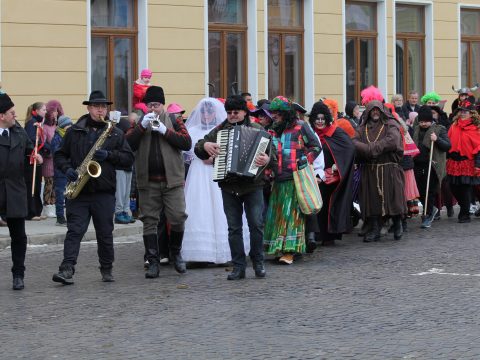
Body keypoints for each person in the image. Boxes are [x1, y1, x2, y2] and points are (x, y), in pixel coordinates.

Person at [52, 90, 134, 285]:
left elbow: (129, 160)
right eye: (97, 107)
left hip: (104, 192)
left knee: (105, 232)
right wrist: (67, 169)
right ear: (88, 108)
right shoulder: (74, 131)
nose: (100, 110)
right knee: (74, 231)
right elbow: (59, 155)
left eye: (104, 107)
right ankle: (66, 269)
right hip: (79, 191)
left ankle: (107, 269)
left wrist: (109, 156)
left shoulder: (114, 132)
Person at [195, 95, 272, 279]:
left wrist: (267, 160)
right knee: (234, 228)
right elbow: (198, 147)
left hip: (253, 185)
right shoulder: (220, 130)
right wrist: (205, 144)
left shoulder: (258, 130)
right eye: (229, 112)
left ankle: (258, 262)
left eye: (235, 112)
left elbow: (272, 156)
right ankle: (238, 266)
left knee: (256, 225)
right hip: (229, 186)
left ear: (244, 112)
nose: (232, 116)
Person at [126, 86, 192, 279]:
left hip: (172, 181)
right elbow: (127, 144)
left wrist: (165, 131)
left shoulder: (174, 120)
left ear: (163, 105)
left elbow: (187, 142)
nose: (153, 109)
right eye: (150, 105)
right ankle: (153, 261)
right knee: (149, 221)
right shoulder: (140, 121)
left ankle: (176, 253)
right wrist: (141, 127)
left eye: (156, 105)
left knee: (178, 217)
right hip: (148, 182)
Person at [182, 98, 240, 264]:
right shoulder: (192, 130)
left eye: (210, 111)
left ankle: (225, 250)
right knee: (199, 207)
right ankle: (200, 253)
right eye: (203, 112)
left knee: (220, 207)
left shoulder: (221, 130)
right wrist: (200, 156)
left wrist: (214, 158)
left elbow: (230, 149)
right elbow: (187, 152)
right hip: (198, 173)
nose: (206, 115)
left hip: (217, 171)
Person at [264, 96, 321, 265]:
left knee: (292, 216)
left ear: (286, 113)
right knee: (278, 215)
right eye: (272, 113)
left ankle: (291, 250)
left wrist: (304, 161)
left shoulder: (301, 126)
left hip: (295, 179)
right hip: (277, 179)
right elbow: (268, 153)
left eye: (278, 113)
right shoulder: (271, 130)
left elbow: (316, 147)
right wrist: (267, 171)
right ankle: (280, 249)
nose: (274, 116)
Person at [0, 92, 42, 290]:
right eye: (11, 113)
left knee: (19, 236)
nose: (14, 115)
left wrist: (35, 156)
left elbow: (29, 150)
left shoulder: (18, 131)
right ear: (1, 116)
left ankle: (18, 274)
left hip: (15, 191)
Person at [352, 100, 406, 242]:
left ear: (381, 111)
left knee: (393, 198)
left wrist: (372, 149)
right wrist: (368, 150)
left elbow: (393, 141)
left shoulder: (390, 124)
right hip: (370, 169)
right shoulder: (362, 128)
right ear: (368, 112)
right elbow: (354, 142)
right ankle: (375, 228)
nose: (375, 112)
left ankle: (397, 223)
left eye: (377, 110)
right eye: (372, 110)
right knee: (372, 200)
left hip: (389, 167)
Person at [308, 101, 355, 246]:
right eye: (317, 118)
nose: (320, 122)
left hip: (331, 178)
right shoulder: (310, 134)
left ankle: (329, 235)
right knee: (315, 205)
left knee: (329, 204)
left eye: (322, 119)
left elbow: (349, 149)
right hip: (314, 175)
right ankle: (315, 234)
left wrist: (337, 166)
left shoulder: (336, 132)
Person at [413, 105, 451, 228]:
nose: (423, 124)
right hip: (417, 164)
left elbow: (447, 146)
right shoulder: (415, 129)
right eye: (421, 121)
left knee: (429, 192)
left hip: (432, 165)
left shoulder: (440, 129)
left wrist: (437, 139)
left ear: (431, 120)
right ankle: (432, 209)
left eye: (426, 121)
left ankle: (428, 215)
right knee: (418, 192)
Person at [446, 99, 480, 223]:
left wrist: (478, 165)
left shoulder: (476, 128)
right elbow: (448, 142)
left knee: (465, 188)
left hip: (467, 162)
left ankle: (464, 214)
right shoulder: (454, 126)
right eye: (461, 111)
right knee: (453, 187)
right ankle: (464, 207)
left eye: (466, 111)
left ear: (471, 113)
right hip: (453, 161)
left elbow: (478, 148)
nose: (463, 113)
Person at [24, 102, 47, 221]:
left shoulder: (38, 123)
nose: (45, 112)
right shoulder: (31, 123)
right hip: (31, 159)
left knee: (37, 185)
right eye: (43, 110)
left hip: (37, 158)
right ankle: (31, 212)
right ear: (37, 111)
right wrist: (36, 153)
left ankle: (37, 210)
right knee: (31, 186)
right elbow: (30, 141)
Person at [42, 100, 64, 218]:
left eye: (57, 111)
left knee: (55, 184)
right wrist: (50, 150)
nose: (56, 113)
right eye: (54, 111)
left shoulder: (57, 126)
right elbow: (44, 142)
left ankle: (53, 204)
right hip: (49, 159)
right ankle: (47, 206)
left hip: (57, 160)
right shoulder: (45, 127)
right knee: (49, 183)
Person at [51, 115, 73, 226]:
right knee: (60, 194)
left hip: (69, 170)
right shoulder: (57, 138)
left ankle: (69, 215)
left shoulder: (69, 136)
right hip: (60, 171)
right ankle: (60, 217)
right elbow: (57, 154)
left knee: (69, 194)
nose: (70, 127)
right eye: (68, 125)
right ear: (63, 126)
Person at [114, 116, 135, 224]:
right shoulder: (118, 138)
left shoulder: (128, 139)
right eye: (127, 130)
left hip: (128, 167)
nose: (129, 132)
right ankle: (119, 213)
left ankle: (126, 211)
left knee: (126, 193)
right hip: (120, 168)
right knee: (120, 193)